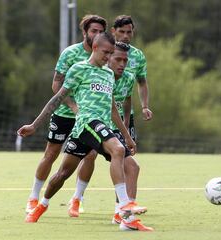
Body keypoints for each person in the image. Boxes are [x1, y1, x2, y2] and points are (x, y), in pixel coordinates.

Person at [18, 32, 153, 231]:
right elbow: (57, 98)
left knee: (131, 166)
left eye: (111, 53)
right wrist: (34, 125)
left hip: (101, 127)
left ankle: (127, 220)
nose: (108, 57)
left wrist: (126, 135)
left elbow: (112, 108)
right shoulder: (79, 69)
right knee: (107, 154)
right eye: (106, 52)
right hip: (86, 124)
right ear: (95, 47)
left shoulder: (108, 74)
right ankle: (42, 205)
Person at [25, 14, 107, 213]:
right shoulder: (70, 54)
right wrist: (73, 107)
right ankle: (34, 197)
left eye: (100, 31)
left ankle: (77, 199)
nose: (97, 34)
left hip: (90, 117)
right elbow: (56, 85)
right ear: (85, 32)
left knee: (91, 155)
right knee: (51, 153)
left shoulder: (105, 55)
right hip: (64, 113)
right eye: (93, 31)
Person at [67, 42, 147, 224]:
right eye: (117, 59)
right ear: (107, 57)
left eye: (125, 61)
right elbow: (62, 92)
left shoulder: (124, 77)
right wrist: (75, 108)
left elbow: (124, 102)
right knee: (70, 168)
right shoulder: (90, 71)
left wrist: (126, 131)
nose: (122, 64)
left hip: (110, 127)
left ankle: (123, 213)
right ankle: (76, 198)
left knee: (133, 167)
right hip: (89, 124)